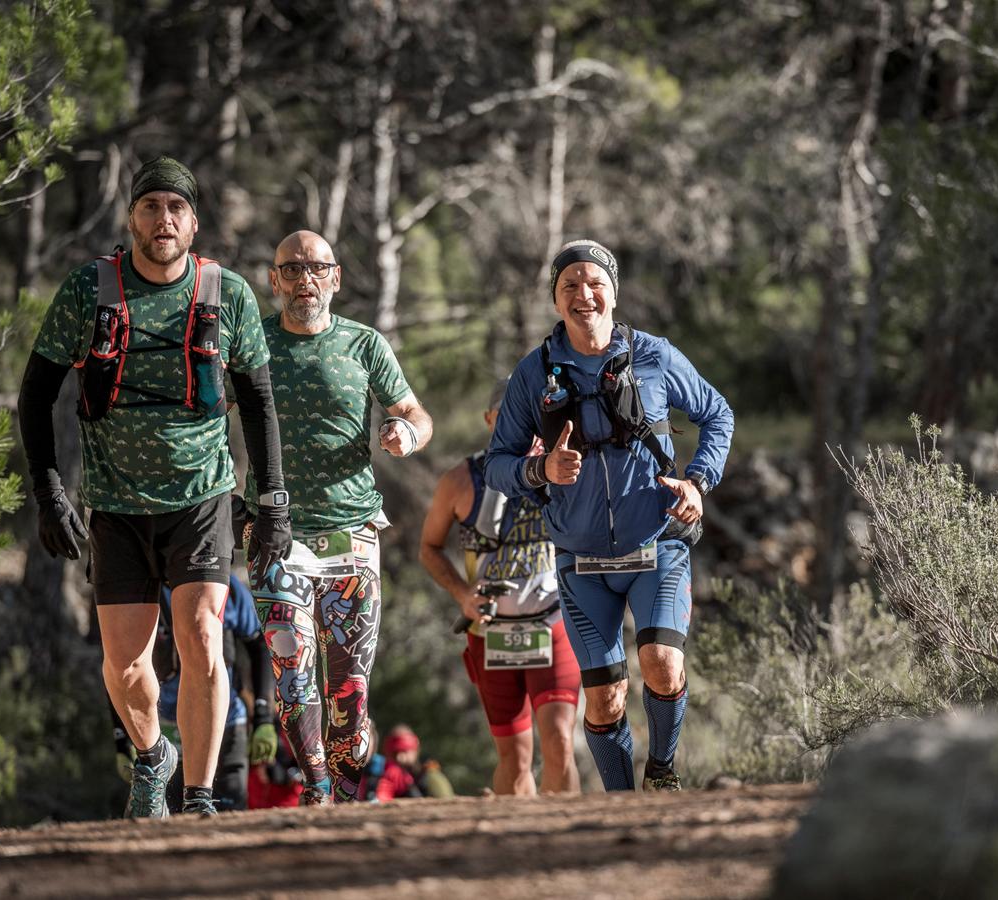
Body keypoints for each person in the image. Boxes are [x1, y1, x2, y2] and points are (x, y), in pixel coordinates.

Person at [18, 156, 292, 818]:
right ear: (131, 218)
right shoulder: (89, 291)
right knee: (126, 665)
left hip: (201, 500)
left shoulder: (227, 294)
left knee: (202, 636)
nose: (162, 219)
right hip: (113, 504)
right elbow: (35, 394)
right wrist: (50, 494)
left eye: (176, 208)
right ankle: (152, 758)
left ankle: (197, 796)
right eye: (150, 207)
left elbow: (256, 401)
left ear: (194, 222)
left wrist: (272, 500)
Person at [484, 239, 734, 792]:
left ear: (614, 293)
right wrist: (540, 471)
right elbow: (498, 464)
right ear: (556, 301)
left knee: (662, 661)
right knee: (603, 697)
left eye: (594, 283)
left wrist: (699, 481)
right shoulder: (533, 373)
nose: (583, 295)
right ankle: (621, 807)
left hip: (658, 544)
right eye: (569, 285)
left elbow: (718, 414)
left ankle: (662, 774)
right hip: (581, 558)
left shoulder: (654, 355)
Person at [246, 229, 433, 806]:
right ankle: (318, 787)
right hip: (277, 532)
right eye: (292, 269)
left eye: (316, 268)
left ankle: (349, 799)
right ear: (275, 280)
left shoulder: (364, 344)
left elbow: (415, 413)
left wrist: (407, 433)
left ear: (335, 278)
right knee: (291, 675)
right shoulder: (252, 345)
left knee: (347, 690)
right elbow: (208, 410)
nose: (305, 279)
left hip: (352, 536)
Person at [419, 378, 581, 796]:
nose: (521, 425)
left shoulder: (565, 469)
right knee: (515, 756)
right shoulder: (460, 481)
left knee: (560, 739)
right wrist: (462, 595)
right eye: (508, 414)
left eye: (529, 415)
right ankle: (516, 843)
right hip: (491, 635)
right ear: (490, 419)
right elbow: (429, 548)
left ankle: (567, 842)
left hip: (555, 626)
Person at [112, 574, 278, 811]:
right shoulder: (144, 590)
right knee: (174, 816)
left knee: (230, 813)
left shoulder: (225, 585)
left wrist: (263, 718)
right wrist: (123, 737)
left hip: (227, 722)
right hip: (163, 730)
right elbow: (120, 668)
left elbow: (259, 645)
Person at [374, 725, 455, 802]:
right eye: (394, 753)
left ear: (415, 750)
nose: (399, 757)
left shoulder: (430, 777)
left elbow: (447, 804)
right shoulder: (382, 776)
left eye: (404, 751)